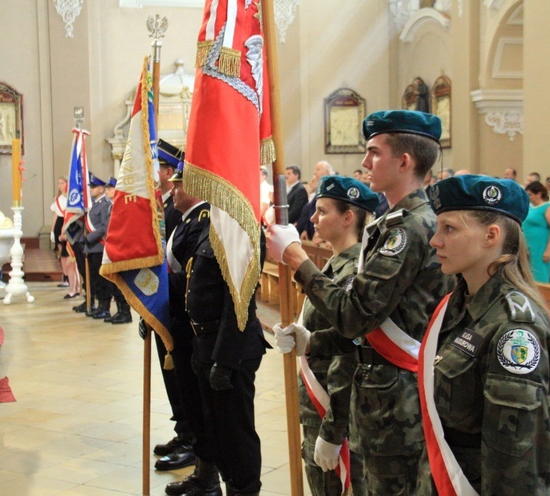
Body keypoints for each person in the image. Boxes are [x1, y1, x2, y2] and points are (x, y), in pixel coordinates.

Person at [269, 110, 453, 494]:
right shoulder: (394, 222)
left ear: (404, 161)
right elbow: (365, 328)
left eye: (374, 152)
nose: (365, 163)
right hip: (377, 396)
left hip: (397, 401)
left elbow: (356, 316)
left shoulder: (410, 228)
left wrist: (298, 260)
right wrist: (312, 342)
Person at [425, 174, 550, 494]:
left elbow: (514, 464)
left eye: (449, 228)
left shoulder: (514, 330)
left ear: (491, 235)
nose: (435, 240)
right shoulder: (460, 305)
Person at [274, 175, 379, 496]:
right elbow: (325, 332)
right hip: (317, 401)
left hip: (335, 411)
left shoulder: (355, 271)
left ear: (348, 218)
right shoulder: (334, 264)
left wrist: (333, 431)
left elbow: (350, 355)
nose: (313, 219)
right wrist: (299, 334)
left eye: (322, 212)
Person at [185, 201, 269, 496]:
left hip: (231, 350)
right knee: (217, 432)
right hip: (205, 345)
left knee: (236, 436)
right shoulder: (212, 224)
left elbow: (239, 302)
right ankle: (227, 485)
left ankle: (243, 490)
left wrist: (225, 359)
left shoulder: (243, 228)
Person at [163, 168, 221, 495]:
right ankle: (204, 475)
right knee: (191, 402)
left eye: (178, 185)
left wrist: (157, 294)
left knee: (201, 408)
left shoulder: (202, 220)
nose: (172, 191)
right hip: (181, 324)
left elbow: (189, 281)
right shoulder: (186, 220)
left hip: (192, 328)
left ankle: (208, 476)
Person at [152, 140, 197, 471]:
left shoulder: (182, 212)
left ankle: (191, 437)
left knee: (183, 376)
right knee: (173, 375)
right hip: (166, 305)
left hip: (182, 309)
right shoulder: (163, 206)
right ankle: (183, 429)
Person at [101, 177, 132, 325]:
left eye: (110, 188)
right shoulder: (110, 206)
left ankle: (125, 312)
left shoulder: (122, 205)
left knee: (120, 282)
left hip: (120, 248)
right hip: (112, 247)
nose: (107, 191)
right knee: (114, 282)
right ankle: (119, 310)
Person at [83, 174, 112, 318]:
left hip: (98, 246)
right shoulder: (94, 205)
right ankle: (99, 305)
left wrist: (88, 239)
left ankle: (105, 307)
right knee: (94, 279)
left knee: (102, 280)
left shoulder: (105, 204)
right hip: (92, 248)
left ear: (101, 189)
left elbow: (103, 228)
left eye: (94, 187)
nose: (91, 190)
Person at [523, 181, 550, 283]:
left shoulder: (547, 207)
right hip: (527, 245)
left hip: (539, 246)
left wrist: (549, 249)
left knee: (538, 274)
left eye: (530, 195)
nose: (528, 197)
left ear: (538, 194)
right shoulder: (529, 208)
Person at [50, 177, 80, 298]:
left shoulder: (70, 200)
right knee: (63, 255)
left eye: (62, 183)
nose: (60, 185)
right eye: (59, 183)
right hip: (61, 227)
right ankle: (68, 280)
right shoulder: (57, 199)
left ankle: (75, 287)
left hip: (69, 228)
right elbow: (55, 216)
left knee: (71, 259)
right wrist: (52, 231)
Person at [297, 160, 334, 241]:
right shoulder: (321, 188)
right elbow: (311, 210)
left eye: (318, 169)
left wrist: (321, 232)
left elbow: (328, 212)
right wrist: (306, 229)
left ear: (327, 172)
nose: (314, 172)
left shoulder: (331, 188)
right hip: (312, 231)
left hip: (323, 235)